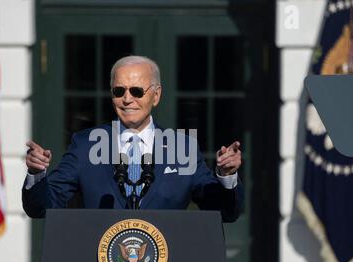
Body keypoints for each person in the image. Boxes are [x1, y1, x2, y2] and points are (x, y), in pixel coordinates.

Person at [22, 56, 243, 222]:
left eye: (137, 91)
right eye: (119, 91)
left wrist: (227, 176)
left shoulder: (181, 148)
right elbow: (43, 207)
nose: (127, 99)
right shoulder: (86, 144)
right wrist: (37, 174)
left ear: (155, 95)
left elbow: (224, 211)